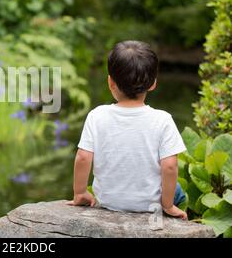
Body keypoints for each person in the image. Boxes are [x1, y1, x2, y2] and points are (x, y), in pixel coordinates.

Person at [68, 40, 187, 220]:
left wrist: (80, 192)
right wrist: (168, 205)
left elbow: (83, 157)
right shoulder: (163, 120)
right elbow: (170, 166)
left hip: (109, 201)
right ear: (153, 83)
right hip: (150, 203)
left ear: (111, 82)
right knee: (178, 190)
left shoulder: (96, 115)